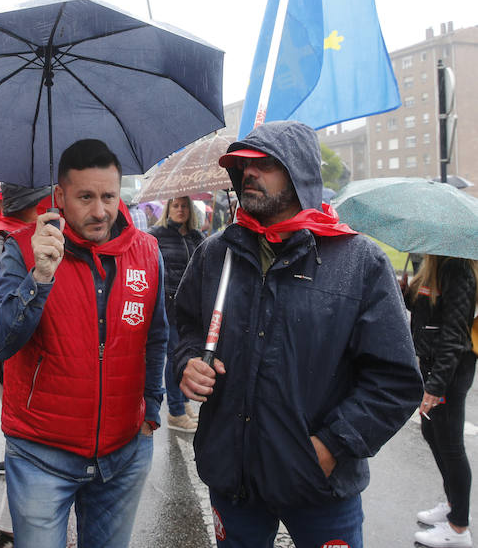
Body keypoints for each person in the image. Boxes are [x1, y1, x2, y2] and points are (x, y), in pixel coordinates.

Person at [175, 121, 423, 548]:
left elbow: (395, 380)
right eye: (242, 165)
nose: (248, 173)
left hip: (320, 484)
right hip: (232, 475)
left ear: (301, 173)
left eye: (265, 164)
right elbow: (186, 327)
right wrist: (188, 361)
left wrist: (330, 446)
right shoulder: (216, 254)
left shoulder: (358, 262)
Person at [0, 138, 168, 548]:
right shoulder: (23, 251)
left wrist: (151, 412)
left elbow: (156, 337)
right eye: (85, 197)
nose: (100, 210)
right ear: (60, 196)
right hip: (39, 456)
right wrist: (40, 279)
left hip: (123, 455)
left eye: (108, 196)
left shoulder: (147, 252)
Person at [0, 182, 47, 548]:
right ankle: (11, 527)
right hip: (11, 368)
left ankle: (11, 526)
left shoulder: (39, 243)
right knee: (22, 448)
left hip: (34, 369)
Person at [407, 255, 478, 548]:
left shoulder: (458, 268)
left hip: (449, 369)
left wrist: (436, 386)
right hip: (433, 364)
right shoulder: (431, 266)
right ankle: (453, 505)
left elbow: (454, 336)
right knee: (431, 433)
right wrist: (407, 288)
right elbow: (424, 309)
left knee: (449, 443)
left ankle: (458, 528)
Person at [148, 195, 204, 432]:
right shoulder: (156, 235)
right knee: (173, 357)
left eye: (184, 206)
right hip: (167, 306)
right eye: (176, 206)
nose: (180, 210)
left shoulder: (196, 237)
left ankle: (183, 403)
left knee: (187, 355)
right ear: (168, 209)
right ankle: (176, 411)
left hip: (191, 308)